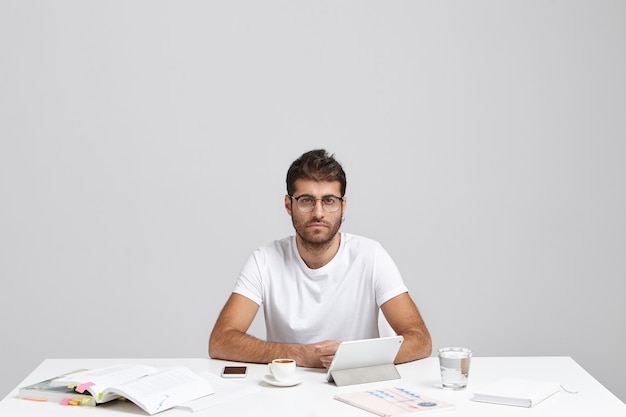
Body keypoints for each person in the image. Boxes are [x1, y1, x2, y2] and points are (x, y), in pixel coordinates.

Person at [209, 149, 431, 368]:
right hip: (288, 393)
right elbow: (220, 341)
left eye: (329, 201)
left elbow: (420, 340)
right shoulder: (265, 260)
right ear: (289, 205)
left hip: (357, 388)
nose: (318, 213)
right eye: (306, 200)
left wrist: (350, 358)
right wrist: (302, 355)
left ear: (342, 206)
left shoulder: (371, 256)